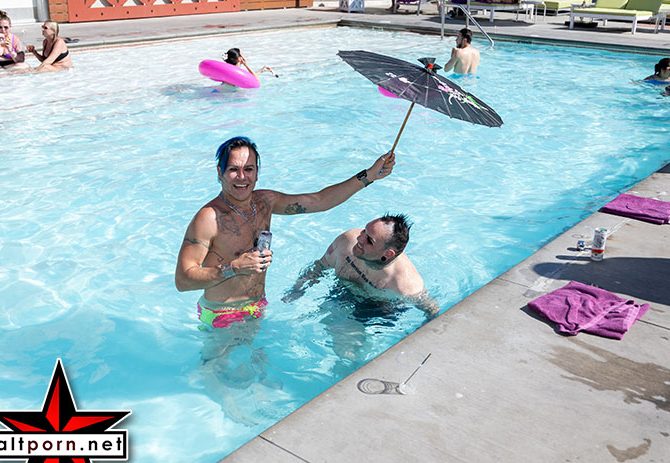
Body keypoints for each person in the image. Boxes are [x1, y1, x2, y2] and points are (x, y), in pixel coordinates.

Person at [174, 136, 395, 329]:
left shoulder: (264, 202)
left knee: (258, 364)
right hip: (222, 315)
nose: (242, 177)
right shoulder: (209, 218)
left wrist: (369, 176)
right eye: (233, 170)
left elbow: (320, 200)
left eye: (249, 169)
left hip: (257, 307)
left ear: (257, 173)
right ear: (219, 172)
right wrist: (234, 268)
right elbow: (183, 281)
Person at [283, 214, 439, 317]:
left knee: (347, 346)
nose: (359, 238)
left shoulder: (406, 285)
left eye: (369, 240)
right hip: (343, 292)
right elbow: (320, 266)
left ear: (388, 253)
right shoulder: (346, 242)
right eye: (364, 231)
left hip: (379, 309)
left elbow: (432, 309)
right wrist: (297, 289)